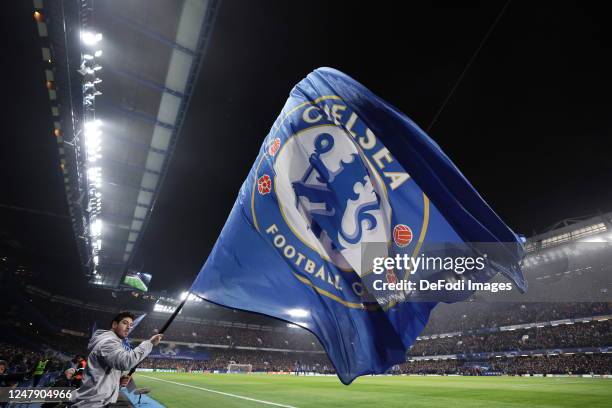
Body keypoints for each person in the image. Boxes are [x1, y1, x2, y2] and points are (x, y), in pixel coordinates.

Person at [73, 311, 162, 407]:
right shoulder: (107, 342)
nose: (129, 327)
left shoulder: (113, 343)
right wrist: (150, 343)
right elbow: (126, 362)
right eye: (125, 323)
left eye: (131, 325)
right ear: (114, 325)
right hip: (92, 404)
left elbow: (103, 374)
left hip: (98, 402)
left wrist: (117, 380)